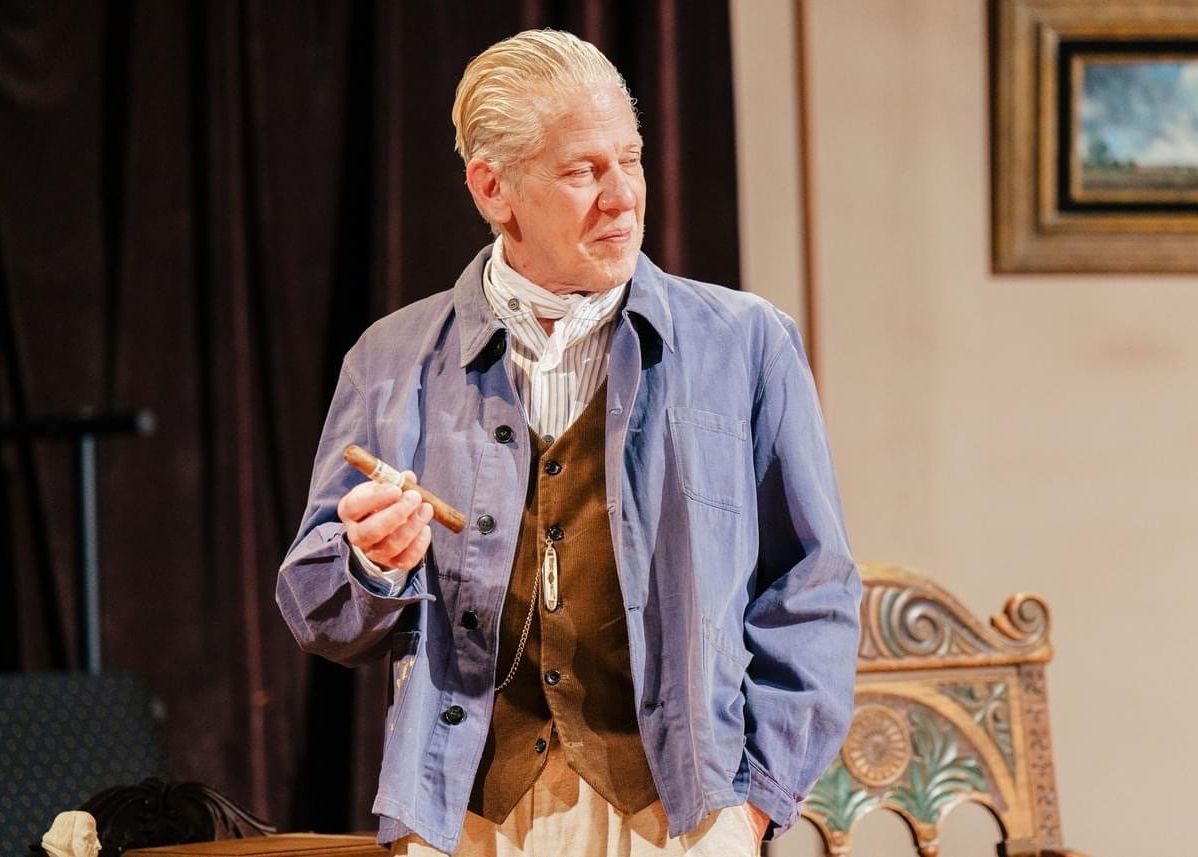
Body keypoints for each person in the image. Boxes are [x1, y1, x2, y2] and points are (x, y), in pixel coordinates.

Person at [277, 29, 860, 857]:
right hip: (461, 820)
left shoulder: (745, 343)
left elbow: (814, 586)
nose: (622, 196)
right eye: (584, 170)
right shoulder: (391, 359)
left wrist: (755, 805)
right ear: (493, 188)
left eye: (632, 160)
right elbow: (316, 608)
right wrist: (372, 563)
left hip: (681, 817)